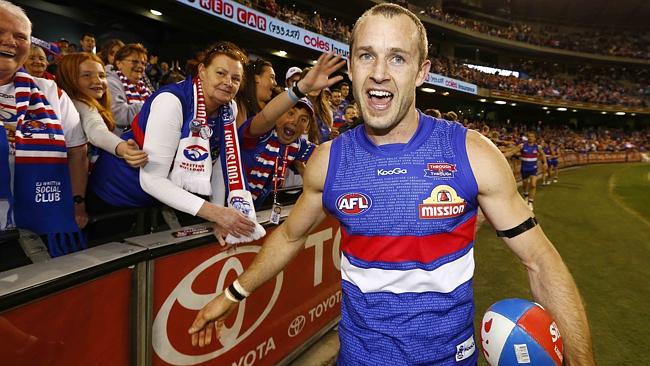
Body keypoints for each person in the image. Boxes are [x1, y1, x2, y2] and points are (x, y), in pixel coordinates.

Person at [188, 4, 595, 366]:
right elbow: (292, 236)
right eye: (367, 56)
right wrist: (232, 294)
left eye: (397, 58)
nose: (379, 73)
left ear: (421, 72)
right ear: (350, 67)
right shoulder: (328, 162)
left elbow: (541, 260)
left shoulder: (472, 154)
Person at [0, 0, 88, 255]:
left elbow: (76, 152)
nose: (10, 42)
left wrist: (77, 203)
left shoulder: (51, 92)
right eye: (1, 33)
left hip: (37, 229)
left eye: (20, 36)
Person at [55, 52, 147, 167]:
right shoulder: (79, 104)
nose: (97, 81)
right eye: (87, 75)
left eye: (102, 76)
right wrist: (123, 148)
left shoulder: (86, 102)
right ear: (68, 78)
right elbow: (97, 130)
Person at [107, 43, 151, 135]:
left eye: (143, 63)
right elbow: (119, 116)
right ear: (119, 63)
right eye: (135, 62)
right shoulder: (111, 83)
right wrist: (150, 106)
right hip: (120, 143)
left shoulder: (142, 86)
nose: (140, 66)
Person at [519, 131, 547, 210]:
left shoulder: (538, 147)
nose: (531, 138)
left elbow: (543, 154)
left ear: (535, 138)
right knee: (525, 185)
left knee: (533, 185)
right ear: (528, 137)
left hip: (533, 169)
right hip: (524, 169)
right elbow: (512, 152)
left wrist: (545, 162)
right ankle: (526, 195)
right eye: (529, 136)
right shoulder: (522, 146)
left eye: (532, 136)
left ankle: (530, 202)